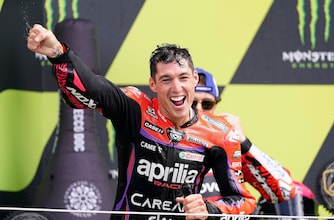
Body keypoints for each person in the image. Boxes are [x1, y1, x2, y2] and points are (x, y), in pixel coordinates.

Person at [27, 24, 257, 220]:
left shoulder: (220, 133)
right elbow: (94, 88)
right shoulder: (135, 108)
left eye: (184, 78)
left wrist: (211, 209)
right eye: (166, 80)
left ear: (194, 79)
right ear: (153, 84)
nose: (177, 88)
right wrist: (58, 53)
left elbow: (243, 202)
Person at [193, 68, 315, 217]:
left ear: (216, 106)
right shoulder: (165, 140)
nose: (199, 110)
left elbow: (285, 190)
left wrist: (244, 144)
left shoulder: (229, 146)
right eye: (193, 104)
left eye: (206, 104)